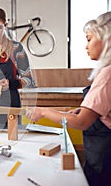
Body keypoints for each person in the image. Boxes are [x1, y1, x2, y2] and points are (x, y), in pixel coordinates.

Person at [25, 12, 111, 186]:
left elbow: (81, 122)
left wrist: (43, 111)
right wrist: (81, 111)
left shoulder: (107, 74)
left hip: (105, 158)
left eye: (89, 39)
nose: (86, 46)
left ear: (106, 38)